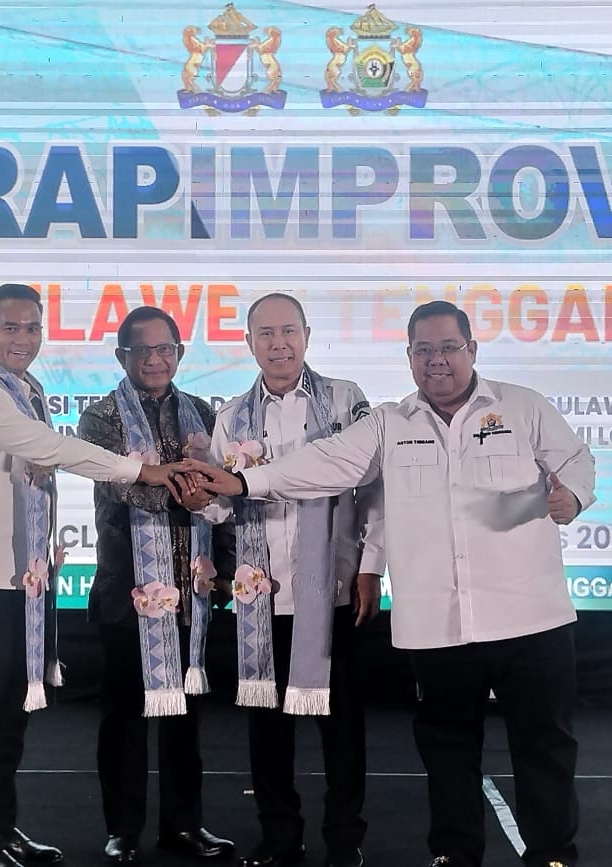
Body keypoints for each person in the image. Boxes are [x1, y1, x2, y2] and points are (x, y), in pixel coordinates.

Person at [195, 300, 596, 867]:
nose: (437, 360)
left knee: (544, 745)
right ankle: (455, 856)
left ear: (472, 349)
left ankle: (553, 855)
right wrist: (242, 482)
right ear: (409, 357)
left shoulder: (523, 407)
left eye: (448, 347)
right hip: (438, 624)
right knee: (448, 751)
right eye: (424, 350)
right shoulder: (389, 423)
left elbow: (576, 460)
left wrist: (572, 495)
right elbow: (324, 463)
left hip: (531, 617)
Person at [0, 284, 191, 867]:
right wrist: (142, 470)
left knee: (11, 718)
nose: (22, 339)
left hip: (24, 580)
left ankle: (4, 830)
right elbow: (49, 449)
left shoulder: (28, 390)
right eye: (10, 328)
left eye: (32, 328)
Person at [198, 294, 384, 867]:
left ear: (306, 333)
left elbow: (374, 487)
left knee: (342, 727)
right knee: (267, 731)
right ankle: (280, 837)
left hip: (333, 590)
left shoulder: (345, 399)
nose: (278, 344)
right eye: (265, 334)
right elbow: (221, 506)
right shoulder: (231, 417)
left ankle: (345, 839)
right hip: (262, 595)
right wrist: (200, 498)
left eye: (288, 331)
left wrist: (372, 565)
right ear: (248, 342)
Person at [78, 306, 236, 865]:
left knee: (184, 719)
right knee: (123, 717)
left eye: (164, 348)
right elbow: (119, 484)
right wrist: (184, 492)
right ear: (121, 356)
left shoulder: (202, 413)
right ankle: (122, 830)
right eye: (141, 350)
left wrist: (225, 567)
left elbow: (224, 497)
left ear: (180, 353)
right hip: (128, 591)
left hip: (190, 589)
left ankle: (184, 827)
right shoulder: (99, 419)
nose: (154, 359)